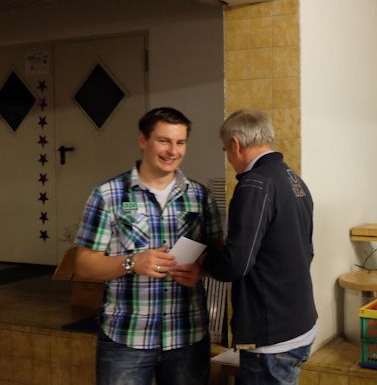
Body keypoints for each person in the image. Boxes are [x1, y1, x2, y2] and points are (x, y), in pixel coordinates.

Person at [74, 107, 223, 385]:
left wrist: (201, 271)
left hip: (187, 335)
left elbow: (217, 253)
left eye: (180, 142)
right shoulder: (108, 195)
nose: (173, 151)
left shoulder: (200, 197)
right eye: (163, 141)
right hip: (126, 336)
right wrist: (132, 263)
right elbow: (83, 266)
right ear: (143, 140)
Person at [206, 109, 317, 384]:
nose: (229, 158)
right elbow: (306, 251)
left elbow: (236, 264)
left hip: (272, 334)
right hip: (300, 321)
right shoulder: (293, 179)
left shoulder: (255, 184)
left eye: (225, 150)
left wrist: (202, 260)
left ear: (235, 144)